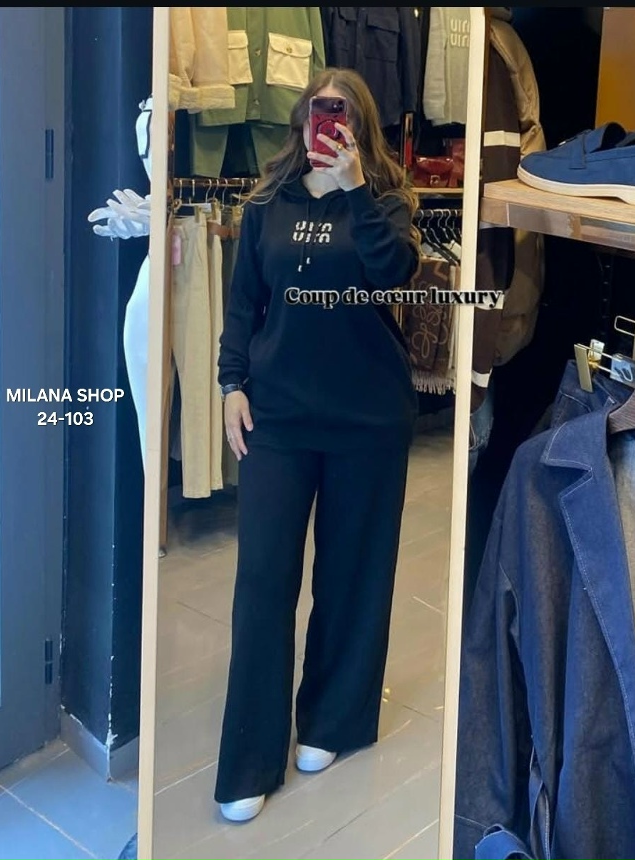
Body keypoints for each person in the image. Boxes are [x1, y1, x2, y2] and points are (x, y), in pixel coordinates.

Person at [215, 68, 421, 823]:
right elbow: (244, 303)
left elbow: (394, 275)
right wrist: (230, 383)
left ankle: (333, 720)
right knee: (263, 583)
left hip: (368, 419)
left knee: (352, 576)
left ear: (358, 130)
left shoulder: (388, 204)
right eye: (316, 113)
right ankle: (248, 757)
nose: (324, 127)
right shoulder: (265, 204)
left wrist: (356, 189)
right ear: (302, 121)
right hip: (278, 418)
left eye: (341, 117)